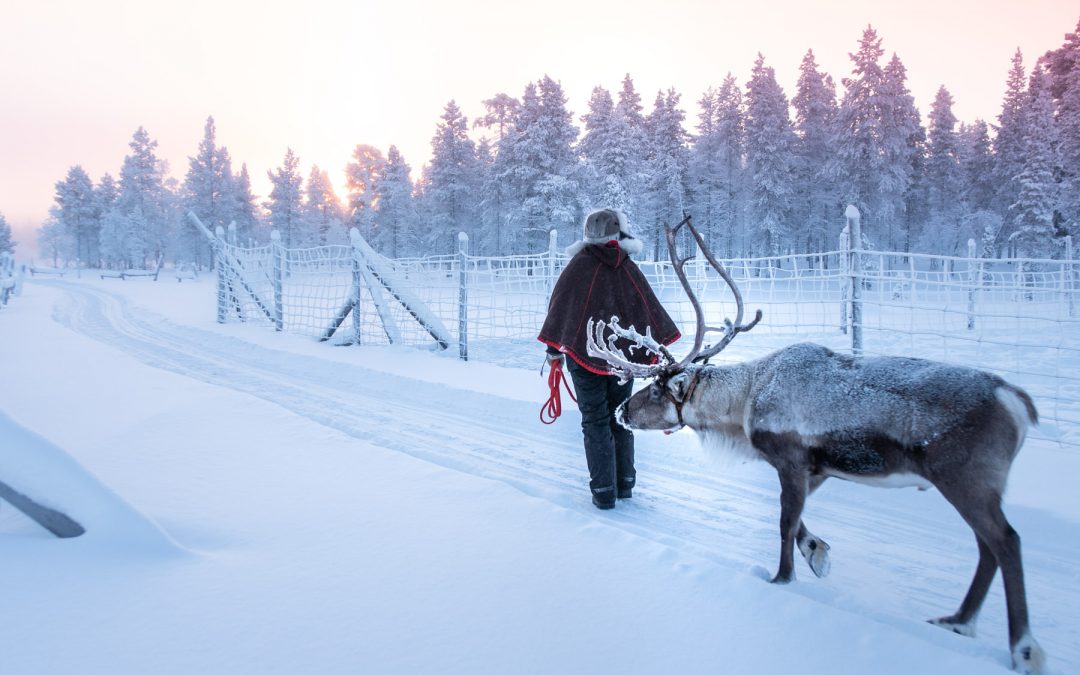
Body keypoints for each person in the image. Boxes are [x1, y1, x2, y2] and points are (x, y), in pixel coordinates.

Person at [539, 208, 680, 510]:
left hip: (584, 354)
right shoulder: (627, 267)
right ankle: (624, 485)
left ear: (588, 235)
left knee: (595, 420)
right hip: (623, 361)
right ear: (619, 234)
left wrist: (553, 351)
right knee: (620, 418)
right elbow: (646, 309)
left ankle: (604, 492)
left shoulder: (579, 266)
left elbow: (561, 308)